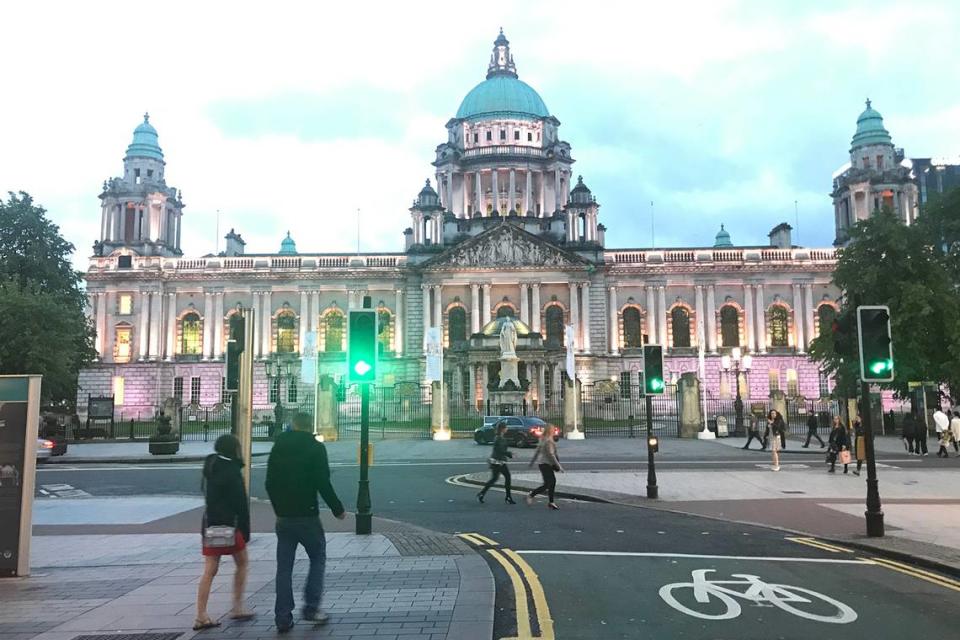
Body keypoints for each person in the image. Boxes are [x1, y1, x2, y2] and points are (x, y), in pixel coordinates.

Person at [266, 412, 347, 633]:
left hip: (284, 517)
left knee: (284, 567)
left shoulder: (279, 446)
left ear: (293, 425)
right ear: (310, 426)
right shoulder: (315, 448)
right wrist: (337, 508)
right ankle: (311, 608)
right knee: (317, 556)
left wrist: (278, 507)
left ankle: (282, 617)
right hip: (307, 514)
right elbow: (322, 482)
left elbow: (269, 482)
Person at [194, 434, 253, 631]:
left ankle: (201, 614)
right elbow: (240, 504)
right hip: (229, 525)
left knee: (209, 570)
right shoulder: (232, 470)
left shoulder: (211, 465)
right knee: (242, 562)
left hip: (210, 524)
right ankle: (237, 607)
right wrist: (245, 530)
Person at [477, 421, 516, 504]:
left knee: (494, 478)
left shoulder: (498, 437)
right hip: (498, 461)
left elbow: (500, 449)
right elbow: (500, 450)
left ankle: (481, 493)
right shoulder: (499, 438)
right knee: (507, 477)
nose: (507, 429)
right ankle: (508, 497)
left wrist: (508, 453)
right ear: (502, 429)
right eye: (506, 427)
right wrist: (509, 454)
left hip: (496, 460)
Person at [527, 425, 564, 510]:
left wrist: (532, 462)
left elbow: (537, 452)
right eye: (552, 429)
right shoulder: (548, 441)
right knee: (547, 484)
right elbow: (552, 455)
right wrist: (559, 466)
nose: (554, 431)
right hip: (545, 464)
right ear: (549, 431)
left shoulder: (543, 439)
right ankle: (531, 494)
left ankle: (551, 502)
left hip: (544, 464)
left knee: (552, 482)